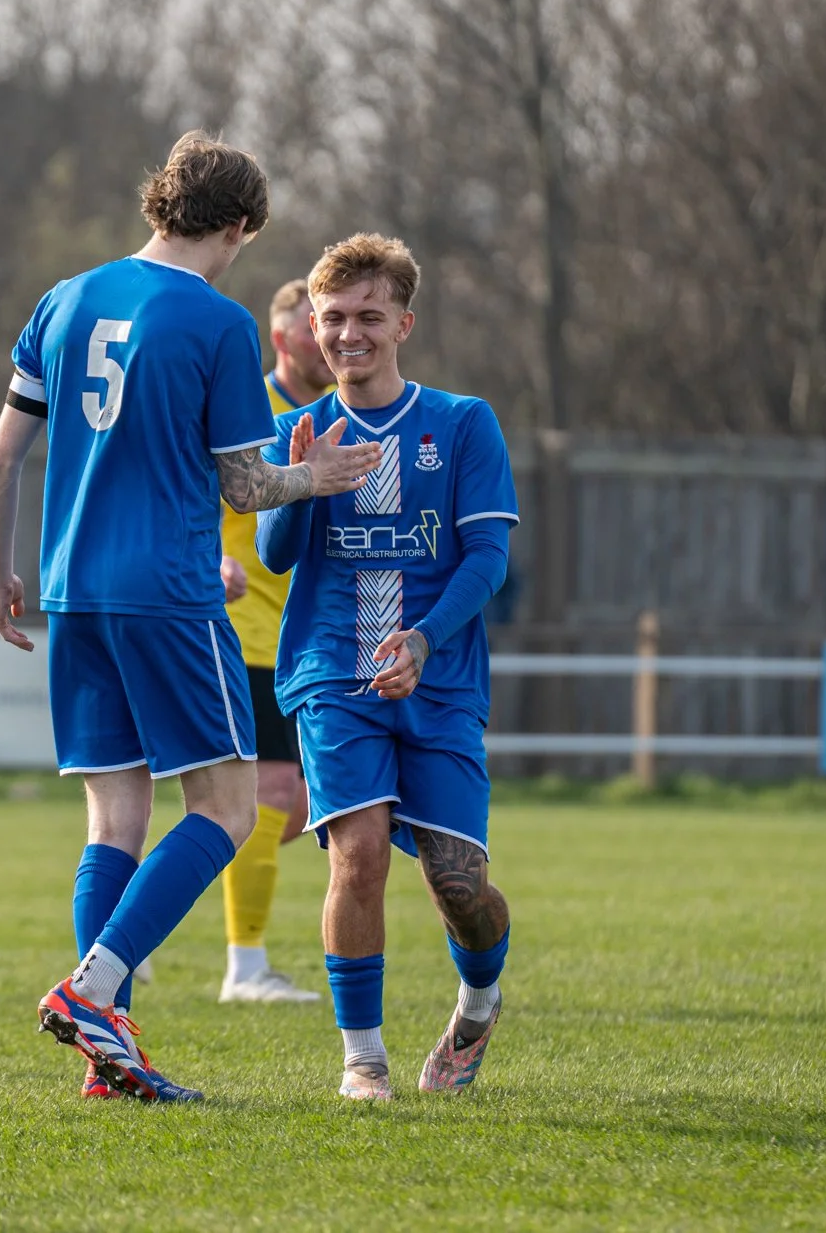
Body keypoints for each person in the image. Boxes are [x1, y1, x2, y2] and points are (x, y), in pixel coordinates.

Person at [0, 132, 381, 1103]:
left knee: (113, 815)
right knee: (228, 808)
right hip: (167, 590)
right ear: (238, 225)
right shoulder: (213, 321)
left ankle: (105, 1058)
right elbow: (242, 478)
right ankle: (93, 992)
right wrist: (316, 476)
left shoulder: (61, 300)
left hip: (71, 592)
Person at [257, 233, 519, 1101]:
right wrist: (306, 481)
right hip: (333, 672)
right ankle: (361, 1059)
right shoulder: (297, 429)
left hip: (438, 679)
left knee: (457, 881)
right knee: (358, 852)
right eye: (332, 318)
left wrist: (423, 639)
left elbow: (486, 559)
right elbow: (277, 552)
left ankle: (478, 1002)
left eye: (368, 316)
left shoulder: (462, 423)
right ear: (312, 330)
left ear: (403, 322)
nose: (347, 334)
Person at [213, 277, 335, 1006]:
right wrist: (208, 561)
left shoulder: (336, 418)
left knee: (280, 809)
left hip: (304, 635)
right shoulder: (250, 410)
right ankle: (246, 966)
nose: (327, 341)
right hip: (247, 627)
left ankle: (140, 896)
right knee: (271, 795)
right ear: (284, 338)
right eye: (312, 327)